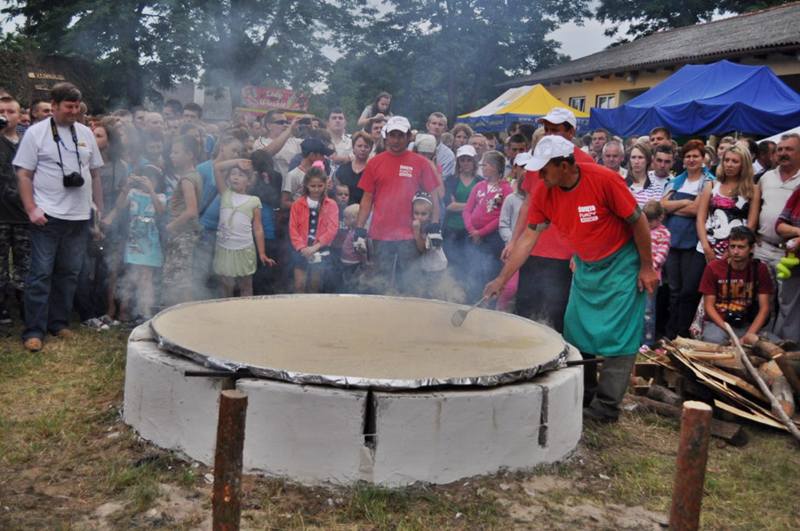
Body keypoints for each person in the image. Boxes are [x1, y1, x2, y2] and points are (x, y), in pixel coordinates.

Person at [484, 135, 658, 423]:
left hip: (621, 264)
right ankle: (584, 395)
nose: (538, 176)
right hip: (587, 266)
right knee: (576, 330)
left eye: (544, 169)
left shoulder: (604, 180)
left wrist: (647, 266)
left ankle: (607, 406)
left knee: (619, 335)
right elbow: (529, 237)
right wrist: (502, 279)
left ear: (565, 165)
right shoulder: (544, 191)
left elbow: (637, 220)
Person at [13, 83, 104, 351]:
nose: (74, 111)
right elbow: (24, 174)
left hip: (79, 217)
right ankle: (34, 330)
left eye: (77, 106)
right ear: (54, 106)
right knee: (41, 274)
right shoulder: (36, 133)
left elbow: (95, 174)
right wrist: (31, 208)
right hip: (48, 216)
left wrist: (98, 208)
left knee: (69, 273)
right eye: (69, 106)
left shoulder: (85, 132)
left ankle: (59, 323)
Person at [502, 107, 592, 332]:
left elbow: (590, 215)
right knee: (525, 311)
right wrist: (514, 241)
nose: (550, 134)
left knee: (557, 314)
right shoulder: (538, 159)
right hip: (533, 248)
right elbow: (528, 204)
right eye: (547, 129)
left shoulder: (586, 163)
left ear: (571, 132)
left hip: (564, 255)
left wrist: (579, 252)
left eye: (556, 130)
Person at [355, 116, 440, 294]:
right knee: (379, 284)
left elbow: (434, 196)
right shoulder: (375, 162)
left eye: (400, 135)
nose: (396, 140)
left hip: (410, 235)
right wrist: (359, 229)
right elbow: (367, 199)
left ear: (408, 136)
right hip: (380, 234)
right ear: (386, 136)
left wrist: (434, 226)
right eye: (392, 135)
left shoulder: (421, 163)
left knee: (409, 286)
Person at [661, 139, 716, 339]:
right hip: (672, 241)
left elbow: (697, 211)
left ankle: (682, 333)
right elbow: (661, 206)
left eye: (695, 156)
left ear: (703, 159)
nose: (691, 159)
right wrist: (686, 201)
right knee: (673, 289)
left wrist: (675, 205)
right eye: (688, 156)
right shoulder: (677, 180)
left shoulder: (709, 181)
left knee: (688, 291)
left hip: (693, 244)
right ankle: (670, 333)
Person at [699, 226, 773, 345]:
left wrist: (748, 336)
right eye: (732, 246)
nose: (735, 251)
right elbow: (709, 307)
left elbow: (764, 308)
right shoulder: (713, 268)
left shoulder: (760, 269)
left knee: (775, 344)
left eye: (741, 247)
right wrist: (728, 330)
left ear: (751, 248)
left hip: (748, 324)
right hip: (720, 324)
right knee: (713, 340)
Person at [212, 161, 275, 297]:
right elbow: (217, 167)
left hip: (244, 249)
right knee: (226, 285)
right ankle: (227, 314)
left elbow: (258, 228)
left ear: (249, 181)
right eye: (233, 174)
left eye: (241, 175)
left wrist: (262, 253)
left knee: (246, 285)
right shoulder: (225, 193)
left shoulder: (254, 201)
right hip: (225, 248)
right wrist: (238, 162)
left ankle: (246, 313)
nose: (235, 177)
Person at [696, 144, 760, 262]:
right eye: (726, 160)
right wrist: (705, 247)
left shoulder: (753, 190)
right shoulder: (711, 185)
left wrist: (730, 252)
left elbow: (751, 225)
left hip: (736, 251)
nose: (729, 164)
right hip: (706, 246)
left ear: (744, 165)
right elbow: (700, 218)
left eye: (735, 161)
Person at [462, 150, 511, 302]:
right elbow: (467, 210)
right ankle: (471, 298)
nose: (483, 168)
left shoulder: (505, 189)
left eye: (486, 165)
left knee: (489, 271)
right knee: (472, 270)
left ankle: (487, 303)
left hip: (491, 239)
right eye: (482, 165)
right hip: (473, 236)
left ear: (497, 168)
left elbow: (500, 217)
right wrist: (471, 230)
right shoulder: (479, 186)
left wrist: (481, 232)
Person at [161, 135, 203, 307]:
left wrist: (171, 226)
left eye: (176, 152)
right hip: (186, 233)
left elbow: (191, 210)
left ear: (189, 155)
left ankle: (183, 317)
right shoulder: (194, 175)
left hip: (182, 234)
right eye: (172, 152)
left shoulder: (186, 179)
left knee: (179, 279)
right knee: (181, 276)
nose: (172, 155)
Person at [119, 167, 166, 321]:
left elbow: (160, 210)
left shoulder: (160, 196)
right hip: (134, 241)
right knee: (133, 275)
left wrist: (151, 191)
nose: (147, 182)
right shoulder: (133, 194)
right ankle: (128, 311)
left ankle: (145, 312)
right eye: (145, 178)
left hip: (150, 242)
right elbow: (119, 207)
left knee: (147, 276)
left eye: (152, 179)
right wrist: (126, 188)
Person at [0, 95, 29, 325]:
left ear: (19, 116)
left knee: (24, 264)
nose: (6, 116)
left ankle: (23, 304)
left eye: (11, 111)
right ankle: (2, 308)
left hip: (23, 214)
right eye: (2, 111)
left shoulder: (28, 142)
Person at [754, 134, 800, 271]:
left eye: (789, 149)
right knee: (761, 291)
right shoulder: (766, 177)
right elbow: (755, 209)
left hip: (791, 253)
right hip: (762, 248)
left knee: (786, 293)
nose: (783, 153)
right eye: (779, 150)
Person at [289, 166, 338, 293]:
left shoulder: (331, 205)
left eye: (320, 186)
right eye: (313, 186)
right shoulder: (297, 204)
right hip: (301, 249)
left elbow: (332, 229)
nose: (316, 189)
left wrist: (315, 247)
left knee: (314, 285)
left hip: (320, 249)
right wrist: (302, 247)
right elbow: (293, 228)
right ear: (306, 185)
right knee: (299, 285)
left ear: (325, 185)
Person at [410, 191, 448, 299]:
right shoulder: (420, 225)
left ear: (430, 214)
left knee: (434, 293)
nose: (419, 217)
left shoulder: (433, 229)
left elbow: (423, 249)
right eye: (416, 213)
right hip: (426, 266)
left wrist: (416, 232)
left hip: (436, 268)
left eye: (423, 214)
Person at [643, 201, 670, 347]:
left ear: (660, 218)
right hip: (636, 276)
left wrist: (648, 267)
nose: (648, 223)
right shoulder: (641, 229)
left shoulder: (664, 233)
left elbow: (662, 255)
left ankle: (647, 341)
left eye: (651, 220)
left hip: (652, 277)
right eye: (646, 220)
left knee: (648, 310)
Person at [775, 187, 800, 342]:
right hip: (793, 264)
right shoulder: (798, 192)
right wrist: (798, 231)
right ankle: (788, 355)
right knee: (788, 310)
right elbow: (780, 225)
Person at [282, 137, 333, 207]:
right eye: (321, 155)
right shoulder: (293, 175)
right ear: (312, 155)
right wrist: (305, 206)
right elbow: (284, 202)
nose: (324, 158)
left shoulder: (321, 173)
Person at [334, 131, 372, 206]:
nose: (363, 149)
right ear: (353, 147)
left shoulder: (373, 170)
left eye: (366, 146)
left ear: (370, 149)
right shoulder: (343, 169)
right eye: (359, 146)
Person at [626, 142, 663, 207]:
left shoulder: (656, 186)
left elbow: (656, 212)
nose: (636, 161)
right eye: (633, 157)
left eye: (640, 157)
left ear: (647, 160)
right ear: (629, 160)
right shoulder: (621, 183)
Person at [425, 112, 456, 178]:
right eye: (434, 123)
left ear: (445, 129)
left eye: (440, 124)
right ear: (427, 125)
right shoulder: (413, 146)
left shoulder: (448, 155)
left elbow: (444, 180)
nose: (436, 127)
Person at [327, 108, 352, 172]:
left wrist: (345, 159)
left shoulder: (352, 142)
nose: (337, 120)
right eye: (334, 118)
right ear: (328, 123)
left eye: (340, 118)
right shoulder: (322, 141)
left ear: (345, 122)